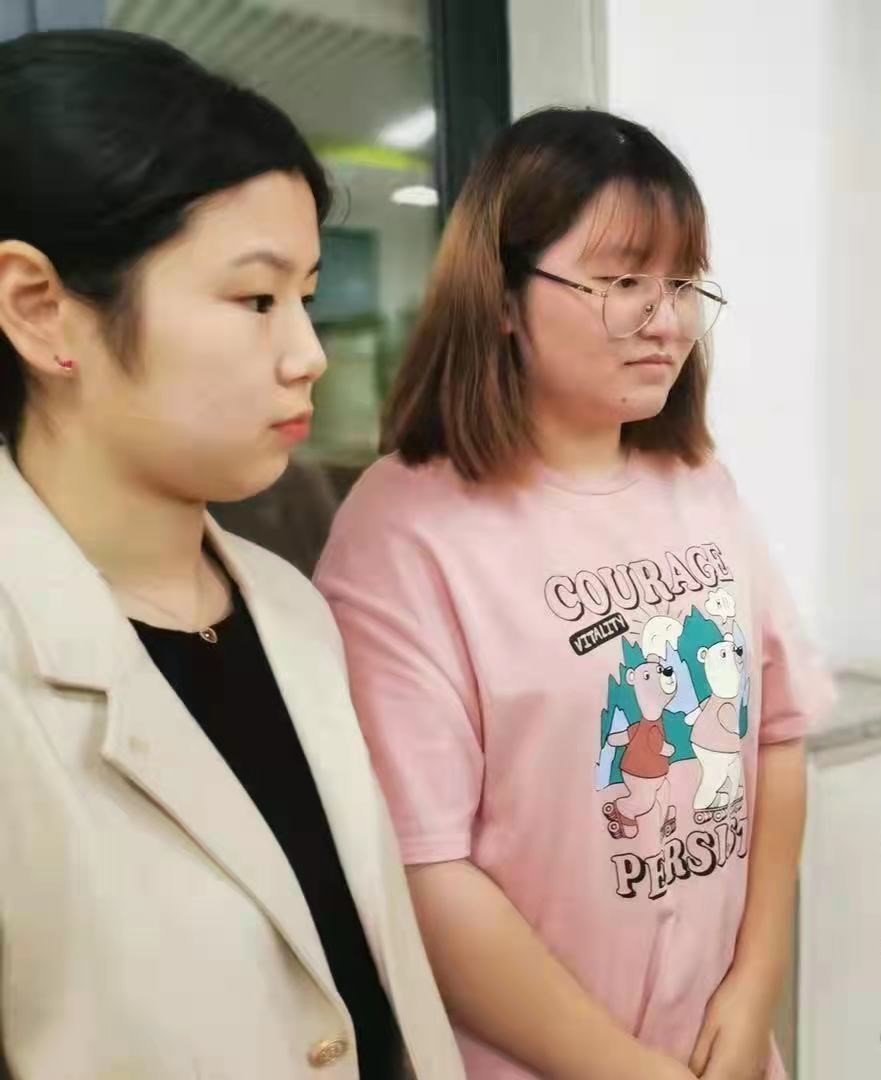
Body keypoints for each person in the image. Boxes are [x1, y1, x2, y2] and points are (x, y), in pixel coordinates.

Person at [314, 108, 835, 1080]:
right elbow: (423, 865)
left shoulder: (698, 485)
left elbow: (778, 737)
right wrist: (622, 1068)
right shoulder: (406, 526)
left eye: (682, 282)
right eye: (622, 282)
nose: (665, 319)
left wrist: (756, 981)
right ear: (503, 296)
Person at [0, 30, 462, 1079]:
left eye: (307, 297)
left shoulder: (289, 608)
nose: (308, 354)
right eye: (257, 299)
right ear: (40, 309)